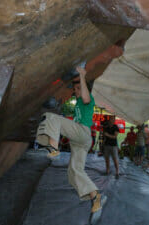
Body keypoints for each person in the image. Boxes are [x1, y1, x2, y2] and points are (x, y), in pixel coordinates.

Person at [35, 66, 106, 225]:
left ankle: (53, 148)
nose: (77, 91)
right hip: (79, 141)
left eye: (79, 89)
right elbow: (75, 106)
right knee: (73, 171)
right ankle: (95, 196)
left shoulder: (88, 101)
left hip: (83, 133)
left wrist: (82, 76)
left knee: (51, 117)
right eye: (75, 90)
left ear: (85, 89)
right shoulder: (78, 105)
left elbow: (86, 96)